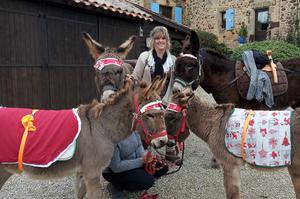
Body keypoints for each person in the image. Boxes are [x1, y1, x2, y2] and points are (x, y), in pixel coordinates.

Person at [102, 132, 168, 198]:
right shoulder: (110, 139)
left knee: (163, 167)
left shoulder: (133, 130)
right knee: (148, 181)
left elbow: (139, 145)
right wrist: (142, 161)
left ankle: (138, 176)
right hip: (114, 172)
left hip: (135, 162)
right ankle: (116, 186)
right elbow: (116, 167)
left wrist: (144, 157)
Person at [130, 26, 176, 105]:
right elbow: (136, 77)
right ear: (153, 41)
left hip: (167, 103)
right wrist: (129, 79)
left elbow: (176, 82)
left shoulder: (173, 60)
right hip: (147, 101)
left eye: (163, 38)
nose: (160, 41)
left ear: (167, 41)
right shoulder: (144, 57)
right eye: (157, 38)